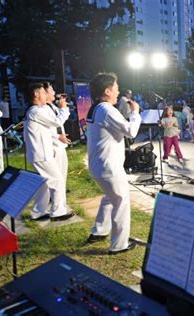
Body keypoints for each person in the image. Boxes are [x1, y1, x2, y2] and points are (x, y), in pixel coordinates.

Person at [86, 72, 141, 255]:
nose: (119, 91)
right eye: (116, 88)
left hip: (99, 165)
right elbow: (130, 131)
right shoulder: (107, 109)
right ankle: (119, 245)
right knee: (121, 201)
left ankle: (99, 231)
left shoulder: (96, 108)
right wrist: (135, 113)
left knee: (110, 197)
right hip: (109, 166)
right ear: (108, 90)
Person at [24, 83, 73, 221]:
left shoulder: (37, 110)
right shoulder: (35, 111)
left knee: (45, 183)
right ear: (36, 94)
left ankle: (38, 212)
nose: (46, 94)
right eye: (43, 92)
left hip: (41, 152)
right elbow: (57, 122)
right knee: (57, 180)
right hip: (41, 153)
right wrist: (64, 109)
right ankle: (57, 212)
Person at [43, 82, 71, 209]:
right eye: (51, 90)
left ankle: (59, 201)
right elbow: (54, 124)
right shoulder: (43, 109)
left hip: (59, 145)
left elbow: (58, 123)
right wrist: (64, 109)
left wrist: (62, 108)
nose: (54, 92)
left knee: (61, 175)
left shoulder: (51, 107)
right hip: (53, 146)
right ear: (44, 92)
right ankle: (58, 206)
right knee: (57, 178)